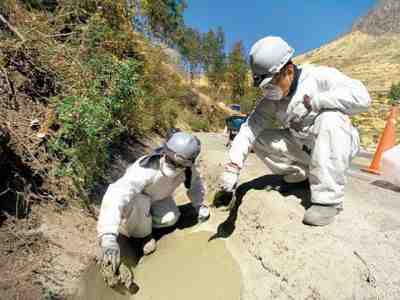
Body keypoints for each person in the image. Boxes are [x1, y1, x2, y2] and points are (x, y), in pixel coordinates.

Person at [219, 36, 371, 226]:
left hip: (337, 142)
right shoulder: (273, 100)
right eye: (263, 87)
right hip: (304, 145)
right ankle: (300, 177)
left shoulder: (319, 76)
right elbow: (249, 129)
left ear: (288, 71)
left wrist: (319, 101)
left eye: (270, 85)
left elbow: (362, 98)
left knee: (330, 119)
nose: (268, 92)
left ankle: (327, 201)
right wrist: (232, 167)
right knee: (258, 138)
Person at [98, 132, 210, 272]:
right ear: (165, 151)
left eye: (178, 164)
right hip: (135, 201)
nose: (172, 165)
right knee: (141, 201)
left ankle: (145, 224)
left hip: (158, 198)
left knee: (171, 218)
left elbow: (196, 184)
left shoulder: (188, 170)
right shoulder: (145, 169)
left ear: (188, 163)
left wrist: (199, 205)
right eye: (169, 159)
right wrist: (108, 236)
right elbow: (116, 194)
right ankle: (140, 236)